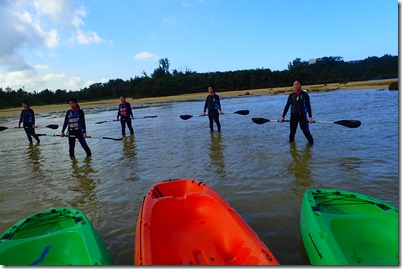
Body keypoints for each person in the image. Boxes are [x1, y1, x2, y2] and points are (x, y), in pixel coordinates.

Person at [279, 79, 314, 144]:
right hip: (293, 116)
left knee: (306, 131)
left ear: (300, 85)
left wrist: (310, 117)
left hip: (302, 115)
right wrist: (282, 116)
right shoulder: (291, 95)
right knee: (292, 132)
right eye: (294, 84)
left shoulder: (304, 94)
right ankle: (291, 146)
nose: (296, 86)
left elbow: (308, 106)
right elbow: (287, 106)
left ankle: (311, 146)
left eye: (297, 84)